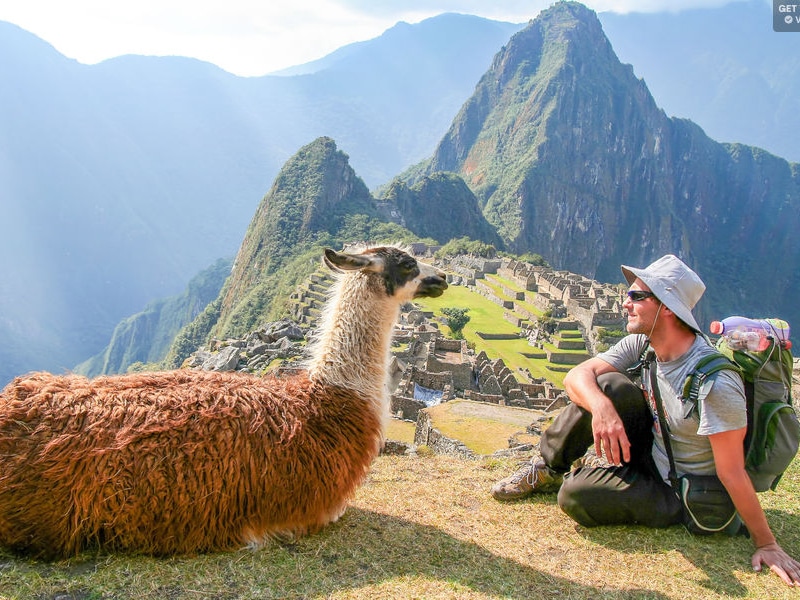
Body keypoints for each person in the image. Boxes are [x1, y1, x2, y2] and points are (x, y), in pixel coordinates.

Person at [491, 254, 800, 587]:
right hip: (652, 451)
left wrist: (767, 543)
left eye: (636, 296)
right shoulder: (644, 344)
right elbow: (577, 376)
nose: (625, 303)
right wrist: (602, 409)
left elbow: (732, 472)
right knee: (606, 386)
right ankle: (546, 470)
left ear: (667, 307)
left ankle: (592, 483)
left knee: (575, 495)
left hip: (680, 489)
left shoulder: (714, 383)